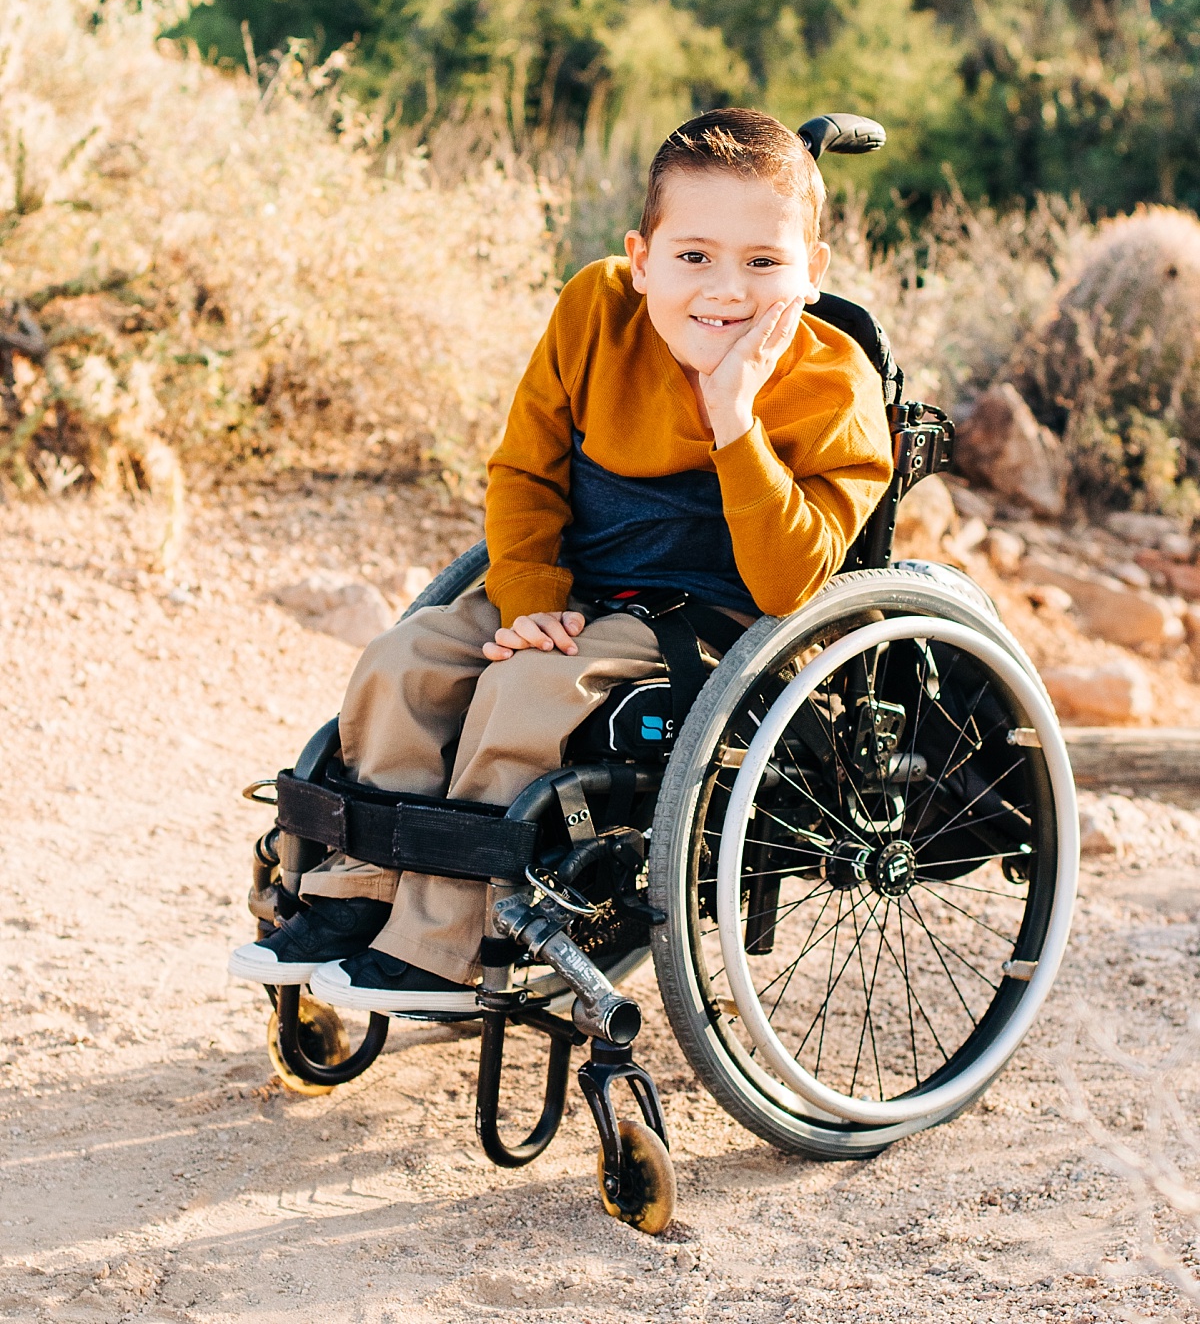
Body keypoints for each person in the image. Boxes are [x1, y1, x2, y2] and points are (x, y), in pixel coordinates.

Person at [228, 108, 895, 1012]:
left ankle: (445, 938)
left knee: (527, 688)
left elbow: (790, 582)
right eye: (694, 256)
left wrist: (734, 413)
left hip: (713, 626)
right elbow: (524, 470)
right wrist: (528, 598)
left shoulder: (832, 383)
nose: (725, 291)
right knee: (404, 659)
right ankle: (356, 898)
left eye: (764, 262)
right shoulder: (596, 311)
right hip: (576, 590)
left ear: (813, 272)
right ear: (642, 255)